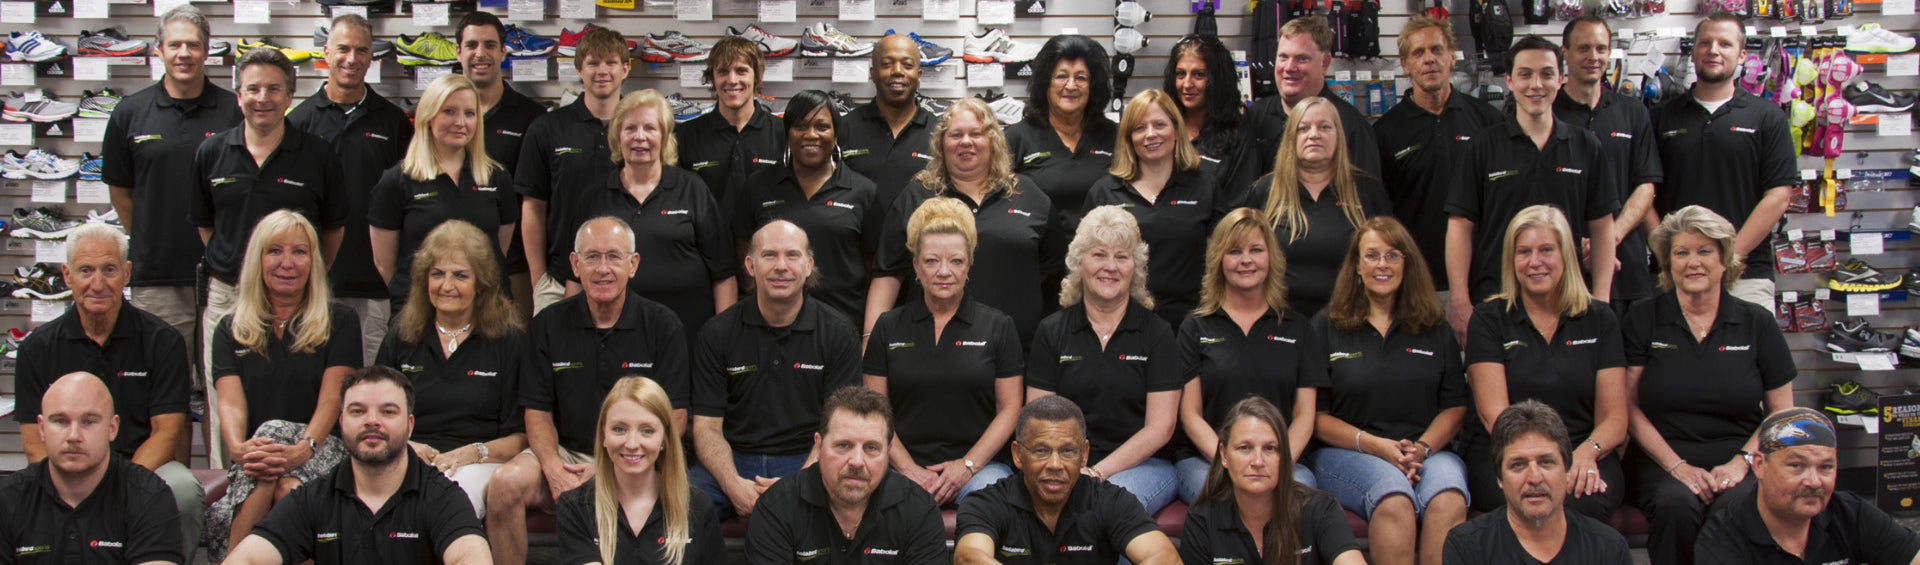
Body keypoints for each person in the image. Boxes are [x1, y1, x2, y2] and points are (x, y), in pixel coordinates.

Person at [487, 216, 689, 565]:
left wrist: (617, 467)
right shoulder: (547, 325)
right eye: (592, 257)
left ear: (633, 264)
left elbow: (676, 418)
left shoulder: (663, 325)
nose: (603, 268)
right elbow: (537, 412)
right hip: (566, 455)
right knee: (503, 485)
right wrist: (551, 467)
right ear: (575, 265)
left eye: (613, 256)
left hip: (637, 450)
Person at [191, 49, 350, 461]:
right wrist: (242, 273)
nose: (263, 98)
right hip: (228, 295)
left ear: (291, 95)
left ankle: (300, 471)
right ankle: (232, 482)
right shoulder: (212, 153)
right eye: (253, 89)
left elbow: (332, 229)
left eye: (274, 89)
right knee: (222, 399)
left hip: (299, 296)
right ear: (237, 94)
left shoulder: (317, 155)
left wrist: (301, 278)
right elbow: (206, 225)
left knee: (298, 393)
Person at [12, 224, 201, 558]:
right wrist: (69, 482)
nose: (97, 284)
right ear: (68, 276)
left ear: (126, 274)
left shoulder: (163, 341)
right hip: (65, 466)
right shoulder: (37, 349)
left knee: (183, 490)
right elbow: (33, 444)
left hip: (143, 464)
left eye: (109, 270)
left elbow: (167, 433)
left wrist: (117, 485)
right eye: (86, 271)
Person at [1624, 206, 1796, 565]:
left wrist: (1742, 462)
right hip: (1662, 459)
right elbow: (1626, 405)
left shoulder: (1757, 324)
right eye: (1681, 253)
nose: (1693, 262)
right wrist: (1677, 467)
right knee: (1676, 503)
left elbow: (1781, 413)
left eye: (1705, 251)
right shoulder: (1643, 317)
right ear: (1668, 263)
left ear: (1724, 260)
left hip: (1739, 457)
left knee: (1736, 505)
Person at [1309, 216, 1470, 565]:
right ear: (1356, 265)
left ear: (1407, 263)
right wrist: (1378, 447)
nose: (1382, 264)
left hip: (1426, 450)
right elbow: (1315, 418)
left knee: (1449, 497)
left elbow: (1455, 405)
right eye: (1372, 255)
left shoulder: (1433, 324)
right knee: (1394, 496)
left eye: (1393, 255)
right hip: (1351, 453)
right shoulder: (1327, 325)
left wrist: (1423, 449)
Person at [202, 210, 360, 562]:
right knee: (286, 487)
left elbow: (333, 399)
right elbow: (228, 403)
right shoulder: (229, 328)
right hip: (259, 459)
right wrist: (238, 448)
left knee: (273, 442)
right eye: (275, 251)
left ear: (313, 261)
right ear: (257, 259)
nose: (287, 262)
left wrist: (304, 447)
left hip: (323, 451)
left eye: (299, 252)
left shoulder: (341, 321)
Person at [223, 367, 492, 565]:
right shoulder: (314, 498)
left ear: (409, 426)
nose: (372, 421)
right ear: (341, 423)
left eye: (388, 411)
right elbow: (246, 559)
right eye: (357, 411)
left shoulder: (441, 497)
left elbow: (471, 557)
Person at [1445, 35, 1619, 338]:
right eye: (1525, 74)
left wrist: (1601, 299)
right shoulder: (1483, 147)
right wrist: (1460, 300)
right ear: (1509, 81)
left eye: (1546, 74)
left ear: (1561, 79)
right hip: (1495, 302)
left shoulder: (1586, 146)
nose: (1536, 85)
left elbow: (1603, 227)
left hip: (1569, 303)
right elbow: (1460, 225)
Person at [1462, 206, 1627, 523]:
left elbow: (1615, 418)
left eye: (1546, 250)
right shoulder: (1488, 319)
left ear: (1566, 255)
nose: (1534, 262)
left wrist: (1585, 452)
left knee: (1585, 503)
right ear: (1511, 260)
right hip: (1508, 451)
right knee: (1530, 501)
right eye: (1523, 252)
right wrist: (1543, 464)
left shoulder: (1599, 318)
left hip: (1585, 450)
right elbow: (1493, 415)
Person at [690, 221, 862, 520]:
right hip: (733, 459)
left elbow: (840, 427)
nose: (781, 266)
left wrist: (799, 484)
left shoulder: (838, 333)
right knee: (679, 504)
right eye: (769, 255)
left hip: (808, 458)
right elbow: (706, 427)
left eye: (792, 256)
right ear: (750, 265)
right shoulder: (717, 333)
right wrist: (733, 486)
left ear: (808, 265)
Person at [863, 197, 1025, 506]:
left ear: (969, 264)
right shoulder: (888, 326)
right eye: (932, 261)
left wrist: (966, 466)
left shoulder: (998, 326)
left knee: (995, 502)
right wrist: (909, 469)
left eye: (956, 261)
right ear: (916, 266)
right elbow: (875, 412)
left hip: (980, 469)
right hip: (901, 468)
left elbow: (1010, 410)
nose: (944, 272)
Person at [104, 4, 238, 357]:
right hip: (157, 277)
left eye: (193, 45)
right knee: (164, 387)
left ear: (207, 51)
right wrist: (152, 238)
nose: (184, 54)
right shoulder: (129, 113)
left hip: (225, 275)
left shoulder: (233, 111)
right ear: (158, 49)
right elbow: (121, 193)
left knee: (221, 383)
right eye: (175, 45)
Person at [867, 98, 1059, 345]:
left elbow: (1049, 267)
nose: (966, 141)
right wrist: (869, 340)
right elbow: (888, 274)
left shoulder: (1028, 194)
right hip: (929, 347)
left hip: (1016, 348)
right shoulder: (917, 195)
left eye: (976, 134)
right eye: (956, 134)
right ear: (941, 143)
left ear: (993, 141)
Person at [1028, 205, 1181, 514]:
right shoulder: (1051, 331)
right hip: (1065, 463)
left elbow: (1160, 428)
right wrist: (1072, 469)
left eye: (1121, 257)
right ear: (1078, 263)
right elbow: (1039, 420)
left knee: (1113, 508)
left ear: (1134, 268)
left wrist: (1098, 473)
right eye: (1099, 255)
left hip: (1144, 465)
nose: (1110, 266)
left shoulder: (1157, 333)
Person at [375, 220, 529, 517]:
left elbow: (522, 436)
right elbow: (376, 411)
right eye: (437, 274)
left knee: (446, 503)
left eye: (460, 276)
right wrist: (407, 446)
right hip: (408, 456)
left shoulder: (508, 340)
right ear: (424, 280)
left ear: (481, 284)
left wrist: (472, 452)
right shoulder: (403, 333)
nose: (447, 286)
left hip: (478, 463)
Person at [288, 13, 414, 364]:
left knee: (370, 381)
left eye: (362, 50)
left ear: (372, 56)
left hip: (374, 284)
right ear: (325, 52)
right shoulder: (298, 122)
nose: (352, 59)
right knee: (315, 380)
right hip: (312, 283)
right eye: (343, 48)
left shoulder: (392, 122)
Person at [1174, 208, 1323, 505]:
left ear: (1271, 258)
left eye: (1256, 250)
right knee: (1226, 497)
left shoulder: (1298, 327)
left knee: (1296, 499)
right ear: (1219, 259)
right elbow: (1190, 415)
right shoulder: (1195, 327)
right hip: (1208, 460)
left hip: (1280, 460)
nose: (1246, 260)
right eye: (1234, 251)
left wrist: (1276, 461)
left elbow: (1305, 415)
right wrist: (1230, 460)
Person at [1652, 12, 1797, 312]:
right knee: (1673, 360)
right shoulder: (1659, 116)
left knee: (1745, 360)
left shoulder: (1767, 117)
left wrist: (1726, 258)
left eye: (1724, 44)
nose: (1713, 50)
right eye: (1705, 43)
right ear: (1693, 51)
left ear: (1742, 54)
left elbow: (1778, 196)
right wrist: (1668, 253)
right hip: (1674, 274)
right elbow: (1643, 192)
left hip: (1744, 274)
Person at [571, 89, 737, 336]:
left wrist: (723, 338)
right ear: (617, 135)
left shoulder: (692, 189)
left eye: (650, 128)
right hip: (612, 337)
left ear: (665, 136)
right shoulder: (595, 197)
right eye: (630, 128)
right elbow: (575, 277)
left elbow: (723, 275)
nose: (640, 137)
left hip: (688, 336)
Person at [1372, 15, 1503, 311]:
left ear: (1452, 58)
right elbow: (1381, 216)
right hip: (1416, 284)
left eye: (1436, 50)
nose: (1429, 59)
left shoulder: (1488, 122)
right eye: (1418, 53)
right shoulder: (1385, 132)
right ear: (1405, 65)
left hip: (1483, 282)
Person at [953, 395, 1180, 565]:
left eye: (1068, 451)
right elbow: (969, 557)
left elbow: (1164, 557)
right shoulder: (986, 502)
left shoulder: (1111, 500)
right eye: (1041, 451)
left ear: (1084, 454)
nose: (1055, 464)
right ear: (1017, 454)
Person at [747, 386, 948, 563]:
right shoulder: (776, 508)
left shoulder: (919, 510)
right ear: (818, 445)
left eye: (871, 447)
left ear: (888, 451)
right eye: (843, 445)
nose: (857, 461)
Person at [0, 372, 185, 565]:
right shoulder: (8, 499)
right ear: (41, 428)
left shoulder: (149, 496)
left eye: (89, 421)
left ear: (112, 428)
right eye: (60, 421)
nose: (73, 435)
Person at [1694, 408, 1920, 565]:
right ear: (1760, 465)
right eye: (1796, 466)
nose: (1813, 481)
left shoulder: (1851, 512)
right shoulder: (1722, 540)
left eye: (1826, 468)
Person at [369, 74, 518, 311]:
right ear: (428, 116)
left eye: (469, 114)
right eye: (449, 111)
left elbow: (498, 249)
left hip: (487, 311)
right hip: (419, 313)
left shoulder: (497, 178)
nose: (461, 122)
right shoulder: (397, 181)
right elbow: (385, 264)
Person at [733, 90, 883, 321]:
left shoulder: (863, 191)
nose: (811, 135)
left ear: (835, 135)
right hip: (772, 323)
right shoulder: (758, 187)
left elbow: (872, 268)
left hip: (843, 322)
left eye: (822, 127)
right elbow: (744, 252)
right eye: (801, 126)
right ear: (787, 133)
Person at [1083, 89, 1227, 327]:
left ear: (1176, 130)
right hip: (1123, 324)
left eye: (1159, 124)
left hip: (1192, 323)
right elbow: (1087, 266)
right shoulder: (1104, 192)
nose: (1150, 134)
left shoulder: (1206, 187)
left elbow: (1219, 263)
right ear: (1128, 137)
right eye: (1139, 128)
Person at [1242, 96, 1392, 318]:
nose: (1314, 134)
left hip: (1352, 321)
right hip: (1279, 322)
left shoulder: (1367, 190)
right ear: (1291, 137)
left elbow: (1388, 259)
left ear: (1338, 136)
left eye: (1324, 127)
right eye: (1303, 128)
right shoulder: (1264, 191)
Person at [518, 26, 630, 314]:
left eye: (611, 62)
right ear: (579, 69)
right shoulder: (547, 128)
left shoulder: (640, 130)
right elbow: (533, 207)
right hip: (558, 279)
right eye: (593, 63)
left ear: (626, 69)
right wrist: (539, 280)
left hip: (626, 280)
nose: (601, 71)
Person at [1556, 16, 1664, 314]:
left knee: (1627, 360)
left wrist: (1608, 241)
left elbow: (1645, 186)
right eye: (1584, 48)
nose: (1594, 57)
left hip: (1625, 270)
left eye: (1601, 49)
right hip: (1560, 269)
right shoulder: (1546, 113)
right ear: (1564, 51)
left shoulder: (1633, 113)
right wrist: (1578, 246)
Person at [555, 376, 725, 565]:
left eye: (647, 431)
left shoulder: (698, 507)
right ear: (604, 435)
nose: (632, 443)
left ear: (664, 440)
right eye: (619, 429)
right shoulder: (576, 506)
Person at [1442, 400, 1633, 565]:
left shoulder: (1609, 548)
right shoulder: (1467, 546)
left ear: (1567, 470)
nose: (1534, 478)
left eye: (1546, 462)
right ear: (1499, 478)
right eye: (1518, 465)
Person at [1180, 396, 1365, 565]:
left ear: (1283, 455)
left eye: (1270, 448)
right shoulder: (1202, 520)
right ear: (1224, 455)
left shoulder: (1320, 509)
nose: (1258, 461)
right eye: (1245, 448)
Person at [456, 10, 549, 317]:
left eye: (489, 45)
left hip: (514, 269)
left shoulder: (531, 118)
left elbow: (537, 202)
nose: (480, 53)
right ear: (458, 52)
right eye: (471, 45)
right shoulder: (439, 117)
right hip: (448, 268)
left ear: (504, 51)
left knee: (515, 356)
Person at [1005, 34, 1116, 236]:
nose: (1071, 85)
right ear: (1045, 83)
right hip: (1039, 261)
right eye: (1061, 76)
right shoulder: (1015, 139)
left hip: (1101, 259)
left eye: (1081, 77)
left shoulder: (1114, 137)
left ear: (1093, 86)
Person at [1247, 18, 1382, 179]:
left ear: (1324, 63)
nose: (1289, 67)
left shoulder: (1351, 126)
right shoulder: (1255, 116)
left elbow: (1368, 198)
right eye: (1283, 57)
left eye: (1302, 58)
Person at [677, 36, 785, 205]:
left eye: (741, 71)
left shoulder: (783, 133)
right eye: (723, 71)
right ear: (712, 77)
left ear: (756, 76)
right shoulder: (685, 136)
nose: (732, 80)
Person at [841, 32, 938, 205]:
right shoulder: (844, 128)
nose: (898, 71)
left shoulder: (939, 132)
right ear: (873, 73)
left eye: (907, 65)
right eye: (887, 64)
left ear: (919, 74)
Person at [1162, 34, 1261, 200]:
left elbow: (1238, 207)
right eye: (1180, 74)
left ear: (1218, 79)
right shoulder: (1162, 128)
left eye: (1199, 75)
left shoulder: (1237, 136)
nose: (1187, 84)